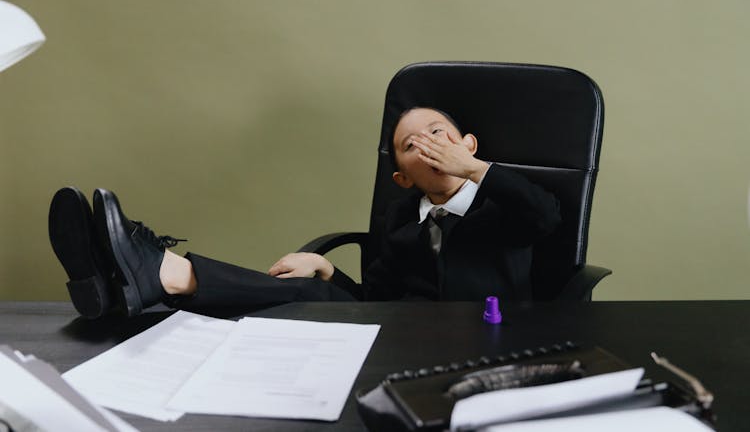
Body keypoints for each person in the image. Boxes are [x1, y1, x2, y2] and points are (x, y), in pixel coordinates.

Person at [49, 107, 561, 319]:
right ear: (401, 176)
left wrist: (475, 169)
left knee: (307, 298)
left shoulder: (504, 206)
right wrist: (329, 269)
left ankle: (150, 277)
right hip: (400, 336)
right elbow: (373, 300)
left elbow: (544, 215)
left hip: (485, 336)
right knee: (310, 293)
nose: (427, 144)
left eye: (438, 132)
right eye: (410, 144)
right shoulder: (404, 222)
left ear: (468, 144)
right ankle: (133, 283)